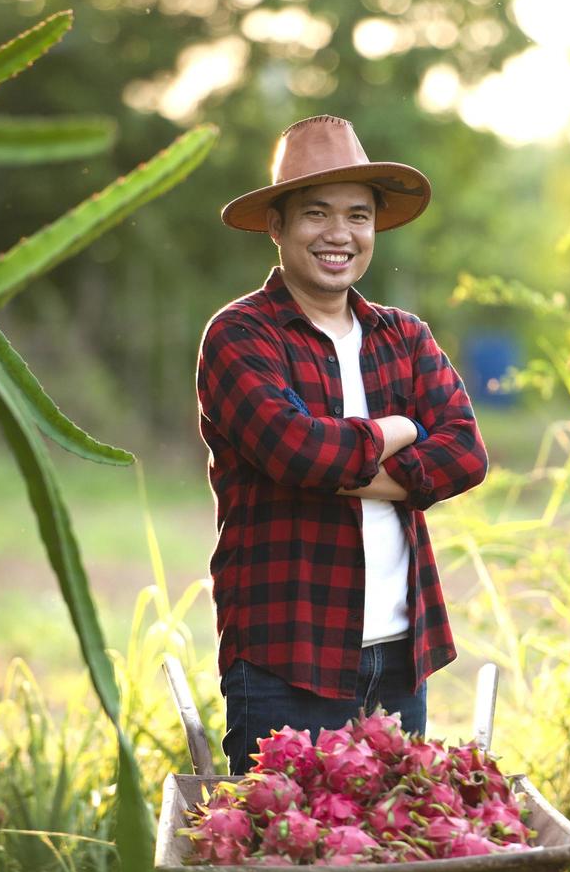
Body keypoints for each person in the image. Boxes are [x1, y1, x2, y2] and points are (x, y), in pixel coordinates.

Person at [196, 115, 489, 774]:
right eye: (316, 213)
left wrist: (333, 463)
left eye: (358, 215)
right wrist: (404, 429)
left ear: (375, 229)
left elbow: (467, 454)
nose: (339, 234)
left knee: (388, 849)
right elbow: (296, 450)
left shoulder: (404, 336)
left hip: (399, 659)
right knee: (283, 858)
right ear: (277, 225)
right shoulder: (240, 336)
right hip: (285, 656)